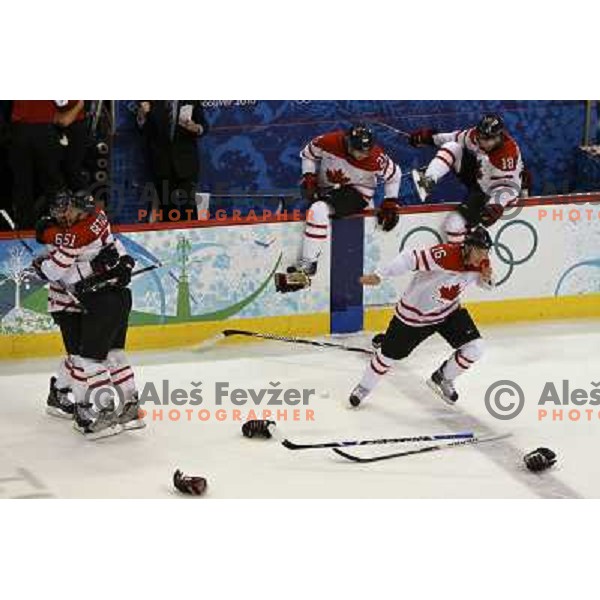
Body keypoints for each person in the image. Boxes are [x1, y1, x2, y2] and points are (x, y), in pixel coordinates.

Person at [32, 189, 144, 439]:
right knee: (84, 357)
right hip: (70, 302)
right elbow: (60, 270)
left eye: (69, 210)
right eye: (61, 210)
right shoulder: (78, 229)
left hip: (91, 299)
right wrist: (117, 263)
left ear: (83, 210)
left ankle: (91, 409)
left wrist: (43, 265)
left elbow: (59, 272)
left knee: (85, 360)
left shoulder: (76, 233)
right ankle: (70, 400)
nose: (65, 214)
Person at [348, 226, 494, 408]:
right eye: (479, 251)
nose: (483, 256)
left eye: (486, 251)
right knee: (388, 357)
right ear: (467, 246)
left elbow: (485, 285)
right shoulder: (445, 255)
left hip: (448, 313)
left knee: (476, 348)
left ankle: (442, 378)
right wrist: (380, 275)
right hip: (414, 318)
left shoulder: (482, 263)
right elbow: (410, 258)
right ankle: (364, 387)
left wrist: (487, 279)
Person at [275, 124, 402, 293]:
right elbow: (308, 154)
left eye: (366, 151)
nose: (362, 155)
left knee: (319, 209)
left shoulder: (376, 158)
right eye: (358, 150)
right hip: (328, 189)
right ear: (347, 142)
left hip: (358, 191)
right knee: (317, 208)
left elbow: (395, 175)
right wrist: (309, 177)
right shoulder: (328, 141)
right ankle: (306, 268)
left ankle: (306, 269)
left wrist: (390, 202)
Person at [410, 114, 524, 243]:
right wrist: (429, 138)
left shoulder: (507, 155)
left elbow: (509, 188)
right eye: (481, 137)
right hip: (480, 177)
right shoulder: (475, 136)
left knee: (453, 226)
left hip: (493, 193)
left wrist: (496, 205)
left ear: (499, 136)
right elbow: (453, 138)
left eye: (488, 139)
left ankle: (464, 258)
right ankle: (428, 180)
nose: (482, 142)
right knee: (452, 147)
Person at [136, 100, 208, 222]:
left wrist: (196, 128)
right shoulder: (151, 101)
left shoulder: (192, 100)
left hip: (186, 164)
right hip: (161, 164)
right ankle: (169, 240)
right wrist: (142, 116)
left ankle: (192, 238)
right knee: (167, 210)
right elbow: (145, 131)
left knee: (188, 208)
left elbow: (204, 126)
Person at [9, 101, 65, 228]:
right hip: (44, 128)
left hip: (20, 130)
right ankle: (58, 223)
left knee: (22, 182)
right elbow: (62, 102)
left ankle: (24, 227)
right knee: (52, 181)